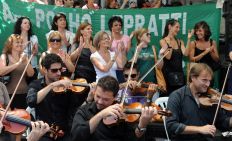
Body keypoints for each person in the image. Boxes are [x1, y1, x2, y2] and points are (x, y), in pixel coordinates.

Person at [71, 75, 158, 141]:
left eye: (106, 99)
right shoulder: (84, 110)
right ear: (94, 92)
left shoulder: (122, 112)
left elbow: (134, 137)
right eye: (98, 96)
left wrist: (142, 125)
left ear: (115, 97)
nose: (100, 101)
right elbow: (77, 135)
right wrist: (100, 115)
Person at [166, 63, 232, 141]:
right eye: (204, 80)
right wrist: (199, 129)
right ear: (193, 77)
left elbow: (223, 122)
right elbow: (171, 125)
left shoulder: (212, 98)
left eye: (209, 81)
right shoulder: (177, 96)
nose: (208, 84)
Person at [27, 53, 73, 141]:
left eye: (60, 69)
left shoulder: (65, 85)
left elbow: (75, 105)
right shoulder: (35, 85)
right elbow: (31, 101)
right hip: (44, 132)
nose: (59, 73)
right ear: (44, 70)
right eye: (54, 70)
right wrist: (52, 85)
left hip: (65, 132)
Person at [0, 34, 34, 110]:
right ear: (10, 44)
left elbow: (31, 74)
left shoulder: (24, 56)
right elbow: (1, 72)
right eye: (17, 42)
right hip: (9, 94)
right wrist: (19, 63)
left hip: (24, 93)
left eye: (21, 42)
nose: (20, 44)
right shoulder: (5, 56)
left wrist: (25, 60)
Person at [160, 19, 192, 95]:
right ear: (169, 27)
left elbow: (186, 54)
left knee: (181, 97)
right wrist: (169, 43)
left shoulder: (180, 41)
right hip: (168, 77)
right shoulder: (163, 41)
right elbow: (168, 57)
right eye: (177, 27)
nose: (178, 29)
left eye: (179, 28)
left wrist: (189, 39)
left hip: (179, 76)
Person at [13, 16, 39, 84]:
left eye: (29, 23)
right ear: (20, 25)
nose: (28, 24)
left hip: (32, 67)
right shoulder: (14, 37)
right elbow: (13, 52)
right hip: (19, 68)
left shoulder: (33, 37)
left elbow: (36, 53)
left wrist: (34, 51)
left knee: (32, 88)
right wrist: (24, 46)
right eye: (25, 23)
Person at [108, 16, 129, 82]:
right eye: (116, 25)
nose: (118, 27)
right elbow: (106, 51)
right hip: (112, 68)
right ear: (111, 27)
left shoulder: (126, 38)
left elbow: (128, 54)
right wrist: (111, 39)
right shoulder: (107, 38)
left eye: (120, 25)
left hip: (124, 69)